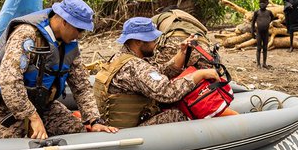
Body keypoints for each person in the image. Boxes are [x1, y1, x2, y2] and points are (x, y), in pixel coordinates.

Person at [0, 0, 119, 139]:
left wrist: (94, 120)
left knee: (75, 130)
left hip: (40, 103)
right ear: (65, 22)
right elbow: (9, 82)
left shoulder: (69, 45)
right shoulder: (26, 34)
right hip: (1, 104)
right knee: (12, 145)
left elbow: (81, 84)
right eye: (79, 29)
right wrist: (33, 117)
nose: (80, 35)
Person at [93, 17, 221, 127]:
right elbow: (168, 93)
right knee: (176, 114)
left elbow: (157, 73)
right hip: (127, 129)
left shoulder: (121, 58)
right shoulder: (135, 66)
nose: (155, 44)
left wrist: (182, 53)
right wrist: (199, 75)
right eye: (152, 40)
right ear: (138, 42)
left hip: (114, 120)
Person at [250, 0, 275, 69]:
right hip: (259, 33)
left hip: (266, 33)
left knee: (265, 48)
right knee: (258, 48)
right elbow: (253, 22)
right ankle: (258, 63)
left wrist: (268, 22)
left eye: (264, 2)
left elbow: (272, 18)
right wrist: (252, 31)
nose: (262, 4)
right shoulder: (257, 12)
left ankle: (264, 63)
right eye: (260, 2)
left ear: (267, 3)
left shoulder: (269, 12)